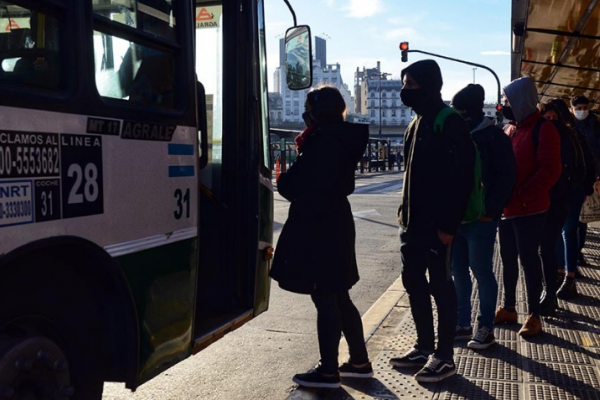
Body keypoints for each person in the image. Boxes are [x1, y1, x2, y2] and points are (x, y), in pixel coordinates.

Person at [270, 85, 371, 389]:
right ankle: (359, 361)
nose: (305, 112)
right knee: (339, 294)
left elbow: (295, 185)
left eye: (308, 106)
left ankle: (328, 371)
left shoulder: (321, 139)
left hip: (318, 225)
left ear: (317, 110)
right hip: (336, 220)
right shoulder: (342, 137)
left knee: (325, 295)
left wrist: (281, 176)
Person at [389, 60, 475, 383]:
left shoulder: (448, 121)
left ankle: (444, 356)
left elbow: (462, 176)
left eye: (411, 84)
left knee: (441, 286)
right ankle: (424, 346)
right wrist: (404, 219)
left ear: (428, 85)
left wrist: (449, 224)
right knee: (413, 282)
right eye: (404, 84)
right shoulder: (415, 123)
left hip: (438, 225)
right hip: (411, 224)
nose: (405, 90)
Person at [450, 84, 516, 349]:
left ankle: (485, 327)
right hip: (456, 218)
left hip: (481, 219)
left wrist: (491, 211)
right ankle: (462, 323)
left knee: (481, 271)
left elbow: (507, 176)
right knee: (458, 272)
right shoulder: (458, 134)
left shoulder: (494, 137)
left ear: (468, 109)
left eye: (460, 110)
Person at [494, 77, 561, 337]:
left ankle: (534, 314)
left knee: (529, 260)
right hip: (507, 209)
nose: (504, 104)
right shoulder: (511, 129)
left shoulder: (544, 129)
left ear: (521, 100)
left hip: (530, 209)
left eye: (508, 100)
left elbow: (550, 170)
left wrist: (523, 195)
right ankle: (509, 307)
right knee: (507, 260)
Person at [537, 100, 591, 312]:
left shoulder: (571, 136)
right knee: (555, 235)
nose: (550, 121)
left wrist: (581, 189)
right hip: (555, 194)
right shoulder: (553, 135)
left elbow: (585, 165)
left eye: (554, 118)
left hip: (570, 193)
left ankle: (569, 277)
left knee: (567, 231)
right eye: (547, 118)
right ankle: (560, 273)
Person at [552, 98, 596, 300]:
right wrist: (586, 188)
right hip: (576, 192)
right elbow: (589, 163)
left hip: (563, 193)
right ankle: (568, 276)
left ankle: (562, 273)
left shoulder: (554, 134)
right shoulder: (576, 134)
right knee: (568, 232)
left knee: (562, 232)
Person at [570, 95, 600, 267]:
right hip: (575, 178)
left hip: (593, 176)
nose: (582, 111)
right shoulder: (569, 126)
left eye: (584, 107)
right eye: (579, 108)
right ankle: (576, 253)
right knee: (576, 219)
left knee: (585, 216)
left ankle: (578, 251)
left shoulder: (596, 126)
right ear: (572, 108)